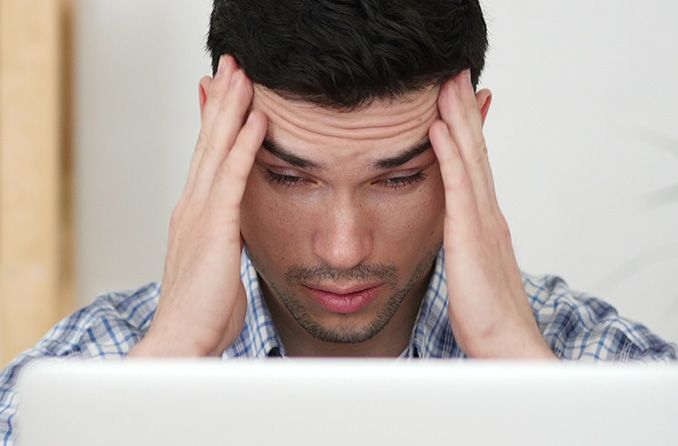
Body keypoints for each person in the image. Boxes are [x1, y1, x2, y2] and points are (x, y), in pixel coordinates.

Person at [1, 0, 676, 443]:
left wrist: (519, 365)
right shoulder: (78, 377)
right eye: (292, 178)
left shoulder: (615, 374)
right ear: (217, 130)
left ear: (471, 135)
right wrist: (164, 364)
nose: (345, 248)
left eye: (398, 178)